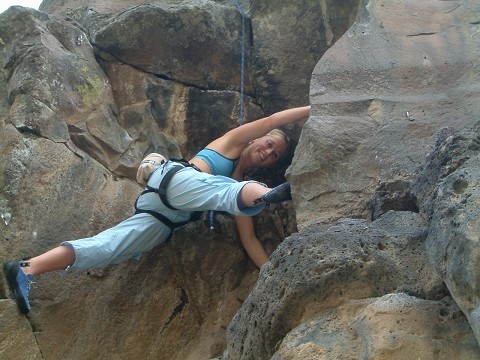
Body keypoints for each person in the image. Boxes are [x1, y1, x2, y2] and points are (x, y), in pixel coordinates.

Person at [3, 105, 311, 314]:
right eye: (269, 144)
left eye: (275, 155)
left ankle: (27, 268)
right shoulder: (230, 143)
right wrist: (314, 109)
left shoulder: (239, 184)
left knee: (110, 247)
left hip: (164, 217)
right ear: (257, 139)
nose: (268, 151)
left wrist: (273, 273)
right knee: (230, 193)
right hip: (176, 181)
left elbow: (250, 241)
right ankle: (271, 195)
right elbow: (273, 121)